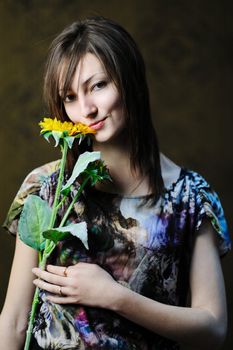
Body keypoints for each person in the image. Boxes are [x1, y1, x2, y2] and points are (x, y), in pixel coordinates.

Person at [0, 16, 231, 350]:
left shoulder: (190, 198)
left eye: (98, 85)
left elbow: (213, 329)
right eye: (69, 97)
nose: (87, 110)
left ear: (129, 80)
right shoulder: (47, 188)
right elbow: (15, 319)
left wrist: (115, 296)